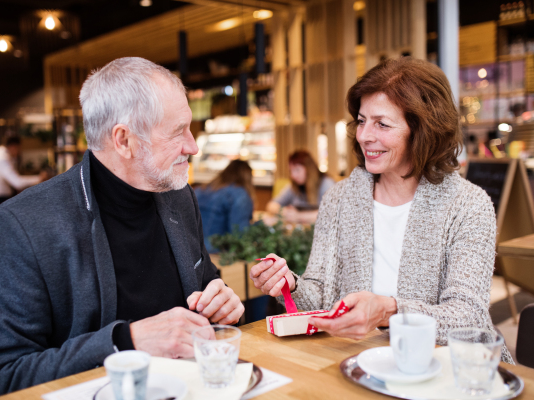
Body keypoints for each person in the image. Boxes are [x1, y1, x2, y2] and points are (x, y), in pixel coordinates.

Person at [0, 57, 244, 398]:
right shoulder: (23, 224)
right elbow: (3, 380)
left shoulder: (179, 197)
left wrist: (221, 302)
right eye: (178, 131)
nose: (192, 146)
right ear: (123, 140)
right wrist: (126, 342)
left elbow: (207, 284)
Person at [249, 57, 512, 363]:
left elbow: (468, 317)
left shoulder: (468, 204)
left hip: (446, 369)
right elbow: (321, 296)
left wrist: (389, 310)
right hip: (360, 364)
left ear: (422, 129)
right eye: (361, 121)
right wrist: (289, 284)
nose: (364, 135)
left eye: (382, 124)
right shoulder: (340, 198)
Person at [195, 159, 254, 252]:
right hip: (215, 252)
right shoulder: (239, 195)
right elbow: (239, 235)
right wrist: (263, 224)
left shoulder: (200, 190)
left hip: (191, 248)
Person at [0, 136, 45, 214]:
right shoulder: (1, 158)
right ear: (14, 147)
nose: (19, 152)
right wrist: (40, 178)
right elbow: (17, 183)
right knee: (28, 207)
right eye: (19, 148)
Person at [266, 150, 335, 224]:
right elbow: (271, 205)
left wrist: (298, 216)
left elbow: (332, 213)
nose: (293, 175)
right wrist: (285, 212)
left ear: (309, 169)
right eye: (291, 171)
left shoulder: (326, 184)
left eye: (297, 170)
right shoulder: (293, 186)